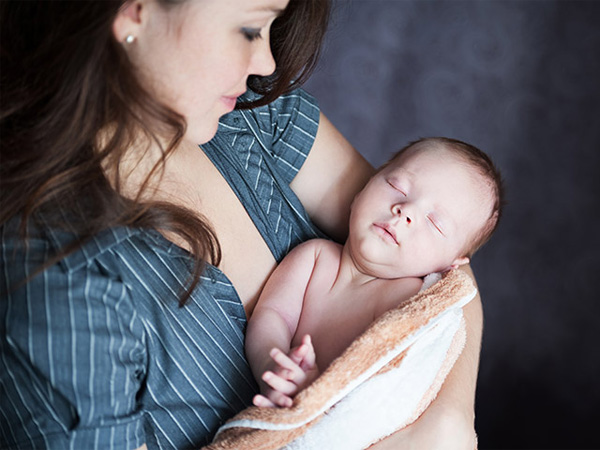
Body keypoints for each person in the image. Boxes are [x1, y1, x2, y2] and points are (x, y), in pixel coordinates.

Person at [0, 0, 481, 448]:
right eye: (250, 28)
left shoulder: (248, 113)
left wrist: (450, 421)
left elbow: (445, 249)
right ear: (136, 11)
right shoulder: (56, 280)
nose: (267, 63)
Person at [246, 137, 503, 408]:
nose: (406, 211)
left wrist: (322, 393)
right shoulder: (313, 258)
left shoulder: (408, 301)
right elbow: (270, 316)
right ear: (363, 189)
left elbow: (388, 394)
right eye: (396, 186)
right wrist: (273, 366)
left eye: (434, 223)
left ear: (450, 265)